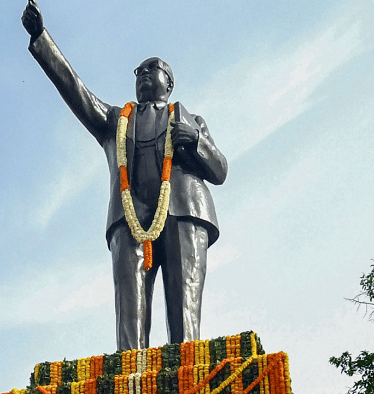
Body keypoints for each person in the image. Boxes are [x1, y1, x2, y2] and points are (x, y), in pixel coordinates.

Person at [22, 0, 228, 351]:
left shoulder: (191, 119)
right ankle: (131, 378)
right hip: (130, 218)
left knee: (185, 312)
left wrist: (194, 141)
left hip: (183, 211)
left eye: (152, 68)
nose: (143, 73)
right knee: (129, 324)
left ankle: (187, 375)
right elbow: (76, 89)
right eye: (138, 71)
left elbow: (220, 170)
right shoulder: (116, 120)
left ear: (169, 82)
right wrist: (42, 38)